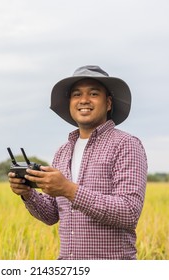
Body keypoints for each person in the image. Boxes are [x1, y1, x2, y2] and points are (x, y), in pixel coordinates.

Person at [8, 65, 147, 259]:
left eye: (93, 93)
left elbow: (129, 211)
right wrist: (28, 193)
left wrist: (68, 189)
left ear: (108, 103)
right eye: (76, 94)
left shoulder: (126, 145)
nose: (83, 100)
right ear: (70, 103)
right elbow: (52, 215)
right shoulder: (63, 152)